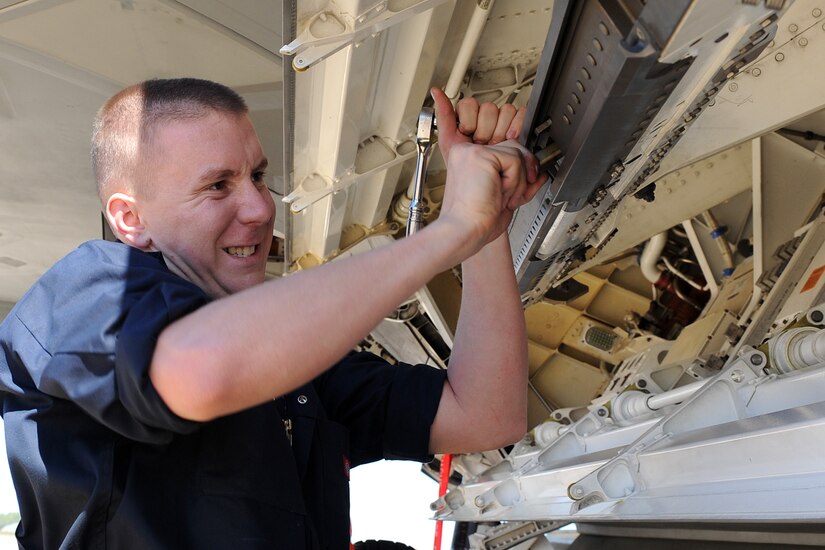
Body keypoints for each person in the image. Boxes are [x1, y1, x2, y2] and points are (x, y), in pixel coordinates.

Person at [0, 78, 546, 549]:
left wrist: (489, 214)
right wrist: (453, 230)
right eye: (218, 186)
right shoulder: (89, 294)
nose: (263, 209)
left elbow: (485, 415)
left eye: (258, 176)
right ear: (131, 219)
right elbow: (201, 370)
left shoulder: (292, 366)